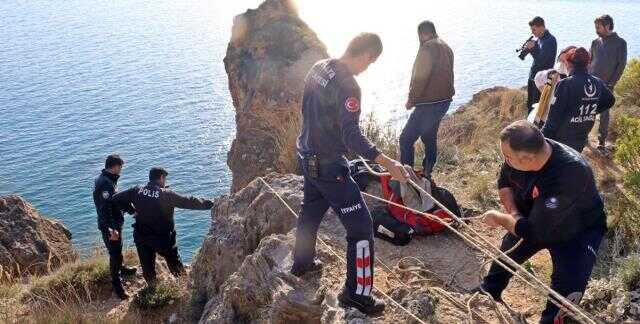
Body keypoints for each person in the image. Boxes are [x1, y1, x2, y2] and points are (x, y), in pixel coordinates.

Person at [293, 33, 409, 315]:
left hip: (307, 156)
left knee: (310, 212)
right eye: (370, 63)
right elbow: (351, 135)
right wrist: (387, 162)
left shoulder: (319, 66)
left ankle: (302, 263)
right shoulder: (349, 86)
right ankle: (357, 295)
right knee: (361, 230)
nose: (366, 68)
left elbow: (307, 107)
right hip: (330, 167)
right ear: (367, 55)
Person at [478, 121, 606, 324]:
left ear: (527, 158)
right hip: (536, 216)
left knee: (567, 287)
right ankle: (489, 291)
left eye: (508, 157)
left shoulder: (571, 172)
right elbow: (504, 182)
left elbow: (534, 232)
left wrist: (501, 218)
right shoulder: (522, 153)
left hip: (578, 231)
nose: (505, 161)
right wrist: (514, 214)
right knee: (509, 250)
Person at [111, 167, 214, 286]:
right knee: (176, 266)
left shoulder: (137, 190)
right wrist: (211, 204)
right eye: (164, 179)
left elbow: (116, 199)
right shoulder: (166, 194)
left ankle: (152, 292)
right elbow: (189, 201)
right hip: (163, 239)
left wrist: (132, 211)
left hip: (142, 237)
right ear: (161, 178)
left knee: (148, 269)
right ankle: (184, 287)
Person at [400, 20, 455, 179]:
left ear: (422, 34)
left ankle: (405, 177)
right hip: (444, 101)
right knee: (429, 138)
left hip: (428, 104)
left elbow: (419, 78)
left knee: (406, 139)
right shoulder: (446, 47)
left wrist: (411, 100)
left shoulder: (427, 48)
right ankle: (427, 173)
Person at [542, 47, 615, 152]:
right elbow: (610, 100)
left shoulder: (565, 84)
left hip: (562, 140)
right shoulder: (597, 82)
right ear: (588, 64)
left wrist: (541, 139)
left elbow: (553, 119)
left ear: (568, 64)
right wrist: (590, 111)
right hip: (582, 135)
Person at [92, 154, 137, 300]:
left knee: (117, 249)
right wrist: (112, 229)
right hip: (110, 226)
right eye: (120, 167)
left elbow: (116, 200)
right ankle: (118, 287)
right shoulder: (105, 183)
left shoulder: (106, 179)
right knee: (114, 254)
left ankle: (122, 269)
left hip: (114, 222)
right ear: (115, 166)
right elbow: (105, 208)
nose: (121, 170)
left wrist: (132, 211)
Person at [589, 14, 627, 152]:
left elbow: (621, 66)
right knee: (589, 111)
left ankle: (601, 141)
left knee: (604, 113)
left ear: (607, 26)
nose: (596, 29)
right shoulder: (595, 42)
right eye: (595, 27)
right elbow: (590, 61)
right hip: (591, 84)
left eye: (598, 27)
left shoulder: (620, 43)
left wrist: (611, 84)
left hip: (607, 86)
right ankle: (584, 136)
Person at [523, 17, 557, 114]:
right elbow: (537, 57)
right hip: (533, 77)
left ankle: (534, 128)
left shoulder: (550, 40)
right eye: (531, 30)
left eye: (534, 29)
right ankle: (528, 126)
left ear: (542, 27)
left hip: (542, 80)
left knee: (537, 107)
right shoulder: (539, 39)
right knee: (530, 105)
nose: (532, 32)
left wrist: (533, 49)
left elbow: (542, 61)